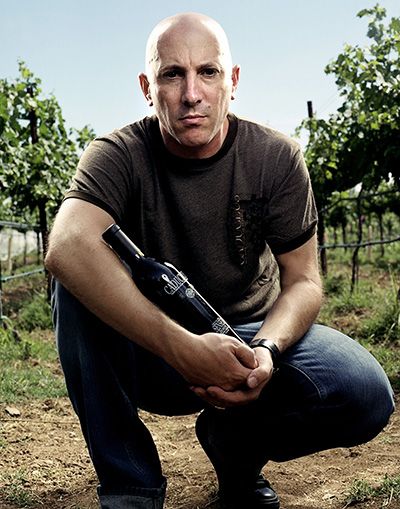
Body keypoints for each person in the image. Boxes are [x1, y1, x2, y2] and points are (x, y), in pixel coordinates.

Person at [45, 12, 395, 509]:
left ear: (232, 82)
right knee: (75, 280)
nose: (192, 93)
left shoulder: (276, 157)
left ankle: (234, 451)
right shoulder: (117, 153)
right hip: (153, 349)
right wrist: (179, 344)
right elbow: (65, 245)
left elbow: (304, 282)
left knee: (365, 394)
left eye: (207, 72)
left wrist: (267, 354)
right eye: (172, 74)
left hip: (248, 337)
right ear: (148, 87)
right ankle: (131, 490)